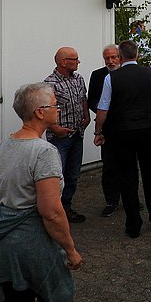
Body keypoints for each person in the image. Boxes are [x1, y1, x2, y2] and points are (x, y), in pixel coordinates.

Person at [0, 83, 83, 302]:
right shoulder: (44, 152)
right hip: (31, 247)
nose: (59, 109)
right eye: (55, 105)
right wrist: (70, 250)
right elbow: (51, 212)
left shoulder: (5, 144)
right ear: (40, 112)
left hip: (1, 245)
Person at [94, 40, 151, 238]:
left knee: (127, 176)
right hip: (147, 130)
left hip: (122, 132)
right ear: (137, 55)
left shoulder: (111, 78)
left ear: (120, 57)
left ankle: (133, 224)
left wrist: (98, 132)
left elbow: (103, 109)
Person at [43, 47, 89, 224]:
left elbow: (83, 99)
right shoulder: (49, 83)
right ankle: (52, 212)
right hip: (59, 138)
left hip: (77, 135)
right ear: (63, 62)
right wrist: (55, 128)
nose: (78, 62)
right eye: (75, 59)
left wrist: (86, 116)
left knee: (72, 175)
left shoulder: (78, 78)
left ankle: (66, 208)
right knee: (56, 176)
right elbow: (44, 111)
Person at [87, 45, 122, 217]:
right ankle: (111, 201)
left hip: (127, 127)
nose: (110, 61)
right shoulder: (98, 75)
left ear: (120, 57)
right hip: (107, 126)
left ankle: (130, 197)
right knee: (109, 165)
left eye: (114, 57)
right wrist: (103, 111)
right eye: (107, 58)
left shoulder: (128, 74)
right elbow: (91, 99)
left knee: (129, 164)